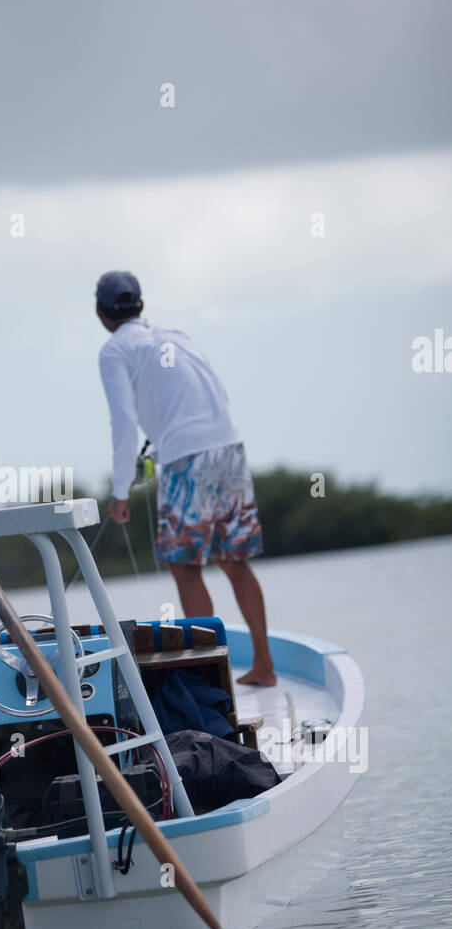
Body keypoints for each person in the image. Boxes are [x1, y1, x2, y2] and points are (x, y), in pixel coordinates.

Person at [96, 270, 276, 686]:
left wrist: (120, 492)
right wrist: (161, 451)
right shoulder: (175, 333)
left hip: (187, 457)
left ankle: (214, 681)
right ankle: (264, 667)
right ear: (139, 304)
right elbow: (210, 393)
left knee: (185, 565)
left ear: (100, 312)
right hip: (228, 444)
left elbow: (123, 421)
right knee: (234, 561)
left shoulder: (113, 352)